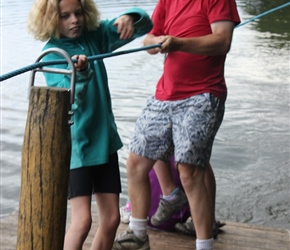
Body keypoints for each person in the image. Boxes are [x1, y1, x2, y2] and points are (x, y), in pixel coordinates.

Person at [112, 0, 240, 249]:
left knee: (190, 171)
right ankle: (138, 235)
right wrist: (153, 42)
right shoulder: (167, 1)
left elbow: (222, 41)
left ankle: (204, 245)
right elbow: (149, 39)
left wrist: (178, 42)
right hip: (165, 94)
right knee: (136, 161)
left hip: (203, 93)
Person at [27, 1, 153, 249]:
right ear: (50, 20)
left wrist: (130, 17)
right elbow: (67, 99)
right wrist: (80, 72)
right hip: (78, 148)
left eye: (78, 13)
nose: (74, 20)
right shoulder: (52, 54)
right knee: (82, 221)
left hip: (105, 143)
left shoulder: (94, 36)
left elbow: (144, 25)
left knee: (112, 218)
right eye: (65, 16)